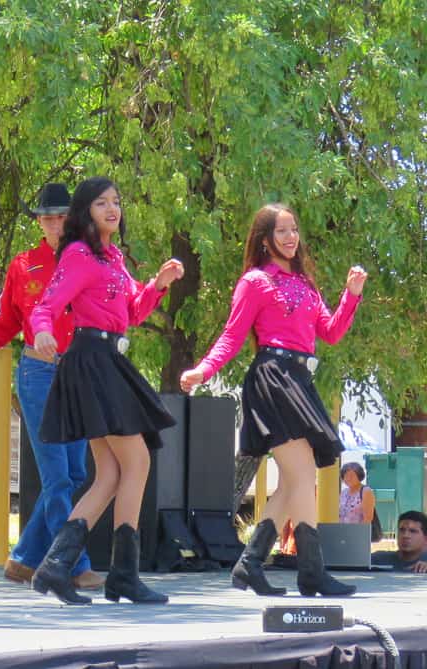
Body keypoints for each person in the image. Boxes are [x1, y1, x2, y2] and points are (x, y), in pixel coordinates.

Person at [180, 203, 365, 598]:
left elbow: (330, 333)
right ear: (265, 240)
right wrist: (204, 370)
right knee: (302, 476)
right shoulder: (256, 281)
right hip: (272, 378)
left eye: (294, 229)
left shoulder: (306, 284)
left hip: (299, 379)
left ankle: (249, 564)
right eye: (281, 231)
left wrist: (351, 296)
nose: (290, 237)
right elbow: (232, 336)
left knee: (293, 482)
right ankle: (311, 572)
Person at [28, 177, 184, 605]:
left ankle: (56, 568)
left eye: (116, 201)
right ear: (85, 212)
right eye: (102, 203)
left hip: (108, 360)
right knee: (136, 463)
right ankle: (123, 575)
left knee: (113, 473)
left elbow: (133, 312)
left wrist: (160, 283)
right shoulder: (79, 254)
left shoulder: (113, 256)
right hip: (92, 360)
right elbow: (46, 306)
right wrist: (42, 332)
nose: (112, 208)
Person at [0, 182, 103, 591]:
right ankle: (73, 562)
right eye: (46, 216)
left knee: (75, 472)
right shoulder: (24, 266)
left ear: (75, 218)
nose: (53, 223)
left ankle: (23, 559)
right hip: (40, 374)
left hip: (82, 374)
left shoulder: (92, 259)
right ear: (38, 221)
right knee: (58, 477)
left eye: (61, 215)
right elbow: (1, 326)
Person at [339, 462, 377, 536]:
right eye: (345, 476)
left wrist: (359, 535)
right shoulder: (344, 492)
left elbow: (368, 519)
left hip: (359, 534)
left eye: (352, 475)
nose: (348, 478)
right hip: (343, 533)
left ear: (359, 476)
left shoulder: (366, 491)